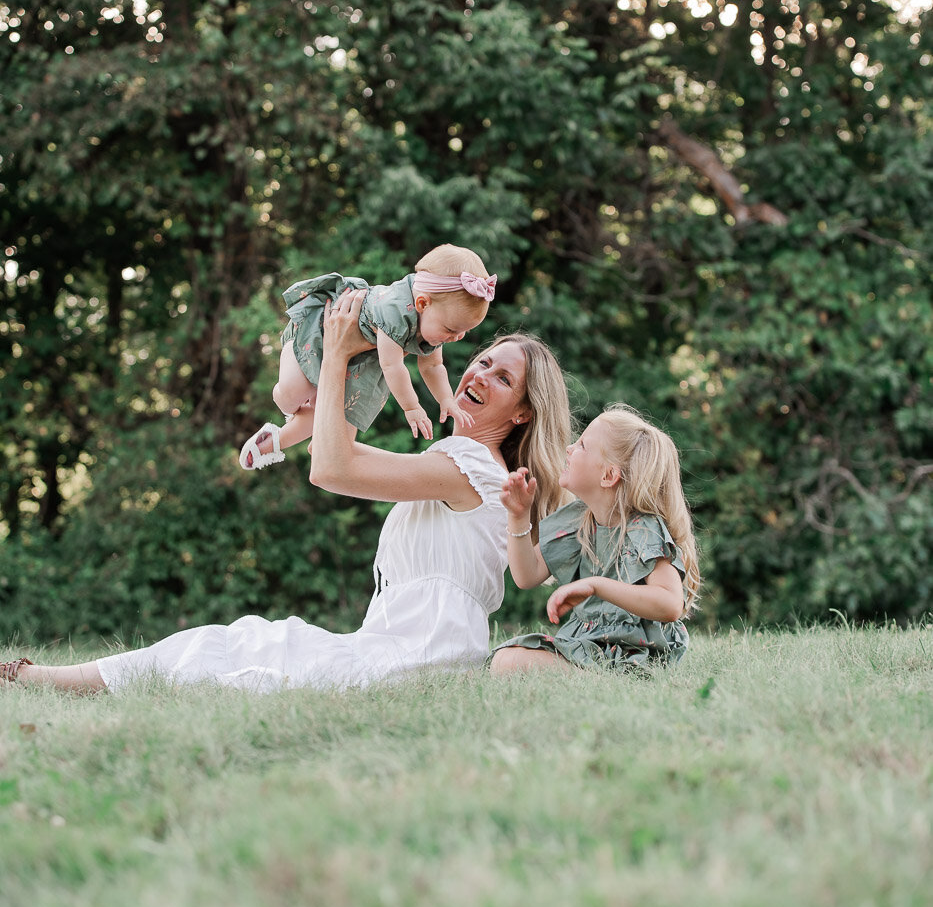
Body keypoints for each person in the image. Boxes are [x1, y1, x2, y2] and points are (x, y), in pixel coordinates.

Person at [2, 295, 571, 694]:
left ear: (522, 413)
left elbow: (332, 466)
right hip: (420, 646)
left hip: (417, 653)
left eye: (502, 379)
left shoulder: (470, 464)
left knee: (250, 651)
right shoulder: (470, 468)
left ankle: (47, 680)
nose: (479, 375)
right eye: (483, 361)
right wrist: (302, 413)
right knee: (250, 642)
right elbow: (338, 453)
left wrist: (340, 354)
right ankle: (53, 679)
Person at [239, 243, 497, 469]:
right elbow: (393, 366)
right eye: (452, 329)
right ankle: (286, 376)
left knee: (335, 415)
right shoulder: (394, 310)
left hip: (362, 361)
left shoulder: (433, 321)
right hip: (323, 334)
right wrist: (412, 407)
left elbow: (433, 366)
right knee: (290, 396)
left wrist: (446, 399)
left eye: (464, 332)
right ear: (422, 304)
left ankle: (274, 442)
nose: (457, 337)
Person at [489, 405, 700, 675]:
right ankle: (590, 673)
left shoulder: (644, 529)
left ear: (609, 476)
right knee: (504, 659)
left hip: (634, 650)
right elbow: (527, 575)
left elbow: (670, 605)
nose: (569, 448)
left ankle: (610, 676)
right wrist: (518, 517)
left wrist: (596, 585)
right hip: (592, 643)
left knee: (511, 663)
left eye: (582, 446)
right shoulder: (578, 520)